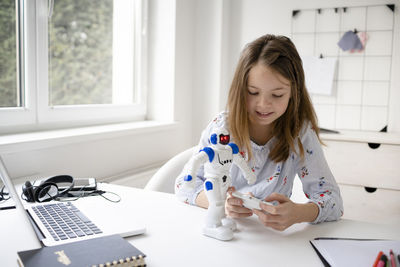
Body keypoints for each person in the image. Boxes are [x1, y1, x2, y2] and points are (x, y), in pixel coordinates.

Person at [175, 34, 343, 231]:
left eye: (277, 95)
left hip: (273, 242)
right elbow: (183, 187)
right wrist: (220, 203)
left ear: (293, 93)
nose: (263, 104)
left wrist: (297, 213)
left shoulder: (300, 133)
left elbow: (333, 202)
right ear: (240, 89)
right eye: (253, 92)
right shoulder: (222, 128)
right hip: (226, 235)